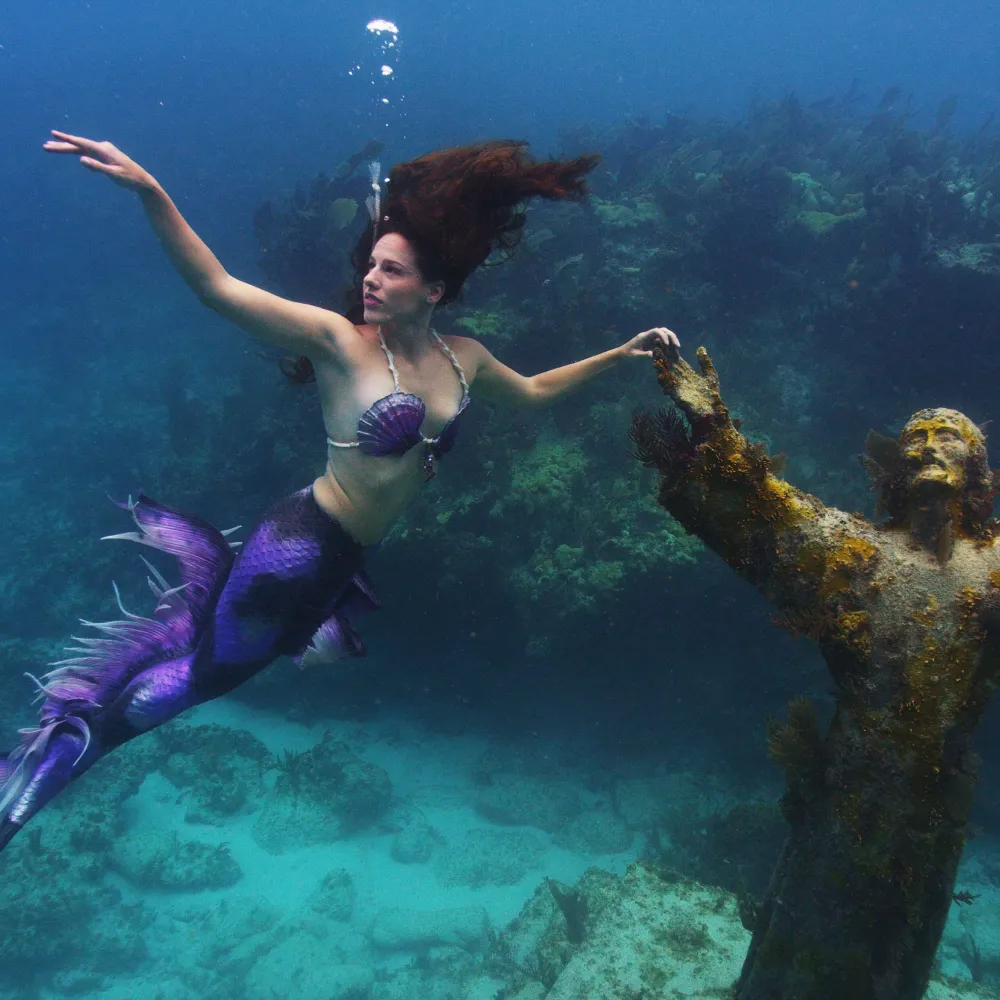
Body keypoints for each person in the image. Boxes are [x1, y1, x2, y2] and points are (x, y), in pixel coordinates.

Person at [0, 133, 679, 851]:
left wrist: (622, 353)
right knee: (204, 677)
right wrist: (151, 191)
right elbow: (217, 289)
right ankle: (34, 778)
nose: (371, 279)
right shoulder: (338, 341)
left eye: (392, 270)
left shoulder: (465, 358)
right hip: (295, 546)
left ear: (435, 289)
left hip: (340, 560)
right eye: (373, 265)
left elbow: (536, 393)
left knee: (207, 670)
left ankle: (45, 764)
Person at [632, 345, 1000, 999]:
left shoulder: (994, 566)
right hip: (847, 800)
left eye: (948, 436)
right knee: (806, 945)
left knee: (896, 956)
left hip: (931, 808)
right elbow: (770, 512)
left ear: (977, 463)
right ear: (895, 464)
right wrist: (714, 431)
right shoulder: (858, 555)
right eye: (915, 438)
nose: (928, 447)